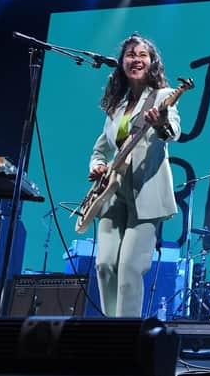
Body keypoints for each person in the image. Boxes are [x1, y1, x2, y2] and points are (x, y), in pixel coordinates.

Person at [87, 33, 181, 317]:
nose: (136, 59)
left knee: (129, 268)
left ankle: (125, 340)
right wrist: (96, 166)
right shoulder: (116, 106)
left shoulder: (163, 96)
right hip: (113, 194)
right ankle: (112, 332)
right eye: (130, 54)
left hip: (147, 194)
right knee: (104, 266)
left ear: (152, 62)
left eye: (142, 55)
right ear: (122, 63)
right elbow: (99, 150)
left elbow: (173, 132)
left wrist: (162, 122)